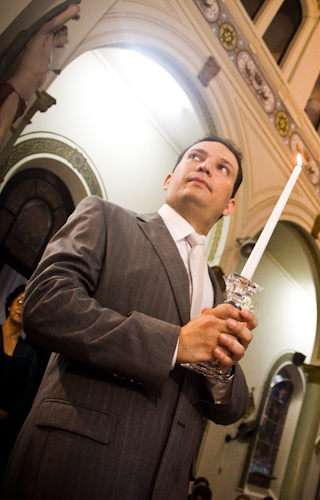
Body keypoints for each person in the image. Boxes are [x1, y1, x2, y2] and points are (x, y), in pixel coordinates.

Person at [1, 136, 257, 500]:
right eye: (195, 157)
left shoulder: (218, 293)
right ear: (168, 180)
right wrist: (173, 344)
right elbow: (45, 304)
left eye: (222, 168)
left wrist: (225, 369)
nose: (204, 166)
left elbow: (231, 409)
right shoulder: (106, 219)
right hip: (75, 466)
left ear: (229, 205)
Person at [0, 2, 81, 146]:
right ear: (60, 31)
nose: (67, 40)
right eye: (66, 35)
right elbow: (69, 11)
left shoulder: (48, 54)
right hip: (14, 91)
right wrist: (74, 10)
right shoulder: (43, 35)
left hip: (21, 101)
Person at [0, 285, 43, 477]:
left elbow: (25, 397)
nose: (21, 307)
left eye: (27, 305)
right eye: (19, 301)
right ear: (9, 305)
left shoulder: (29, 354)